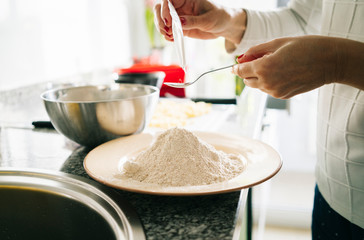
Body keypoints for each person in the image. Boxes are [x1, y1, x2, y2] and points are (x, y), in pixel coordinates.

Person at [154, 0, 364, 239]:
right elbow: (304, 19)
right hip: (330, 187)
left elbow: (335, 54)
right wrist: (230, 22)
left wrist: (336, 62)